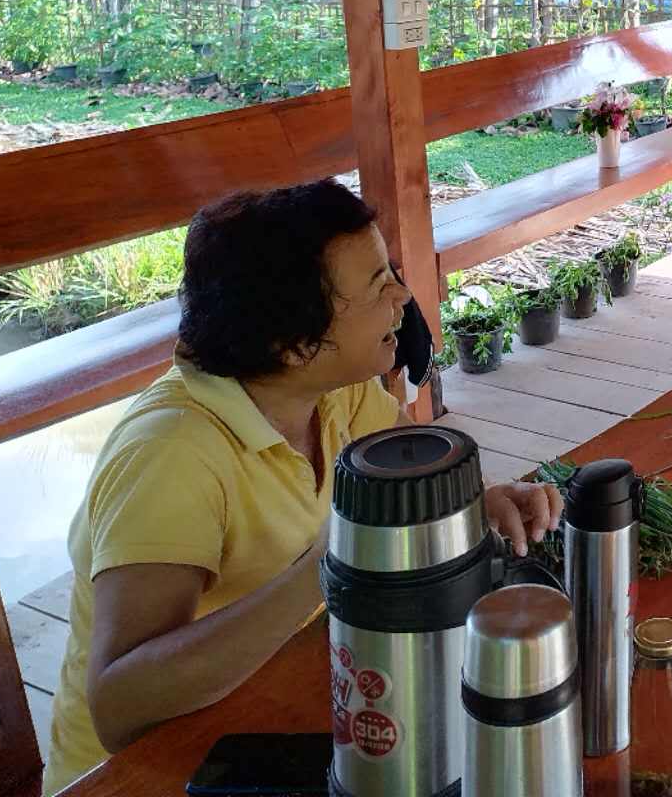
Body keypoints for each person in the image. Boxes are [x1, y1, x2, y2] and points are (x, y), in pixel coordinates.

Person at [43, 180, 563, 793]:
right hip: (157, 772)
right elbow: (120, 707)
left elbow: (408, 476)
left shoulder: (336, 388)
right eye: (377, 284)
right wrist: (329, 568)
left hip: (284, 703)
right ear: (294, 344)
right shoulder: (171, 455)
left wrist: (476, 503)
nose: (402, 295)